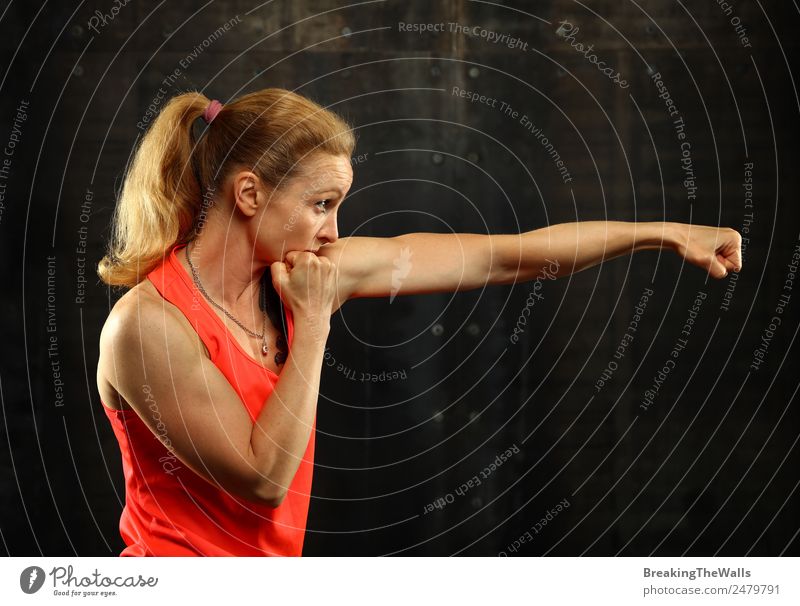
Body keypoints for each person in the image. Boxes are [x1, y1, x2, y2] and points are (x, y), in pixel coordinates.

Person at [95, 88, 742, 556]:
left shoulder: (303, 270)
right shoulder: (147, 326)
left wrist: (664, 233)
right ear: (248, 194)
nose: (334, 231)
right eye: (321, 204)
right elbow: (264, 480)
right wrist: (314, 323)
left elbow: (504, 259)